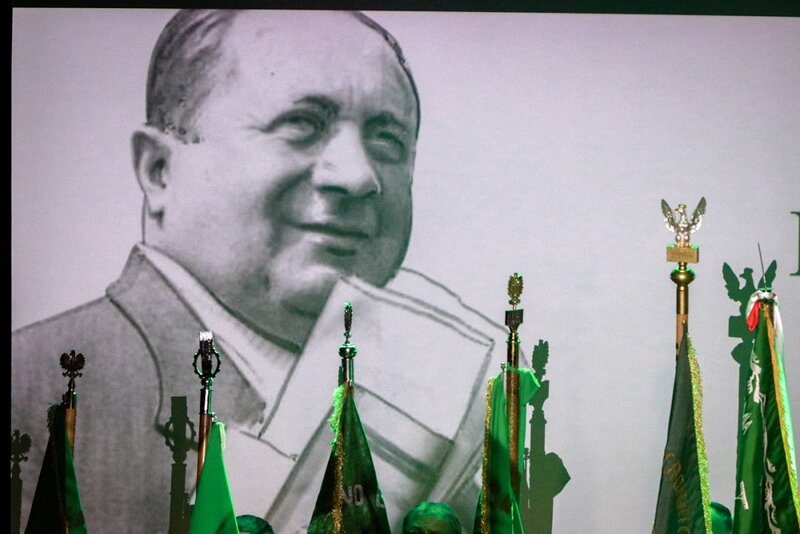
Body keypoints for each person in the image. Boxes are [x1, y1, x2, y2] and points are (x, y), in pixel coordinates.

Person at [12, 10, 505, 533]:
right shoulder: (29, 392)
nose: (359, 177)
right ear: (159, 170)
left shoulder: (458, 442)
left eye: (386, 139)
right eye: (302, 125)